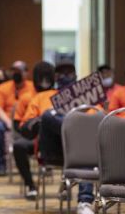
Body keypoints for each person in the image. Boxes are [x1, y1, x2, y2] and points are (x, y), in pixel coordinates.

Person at [36, 62, 95, 214]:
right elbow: (33, 123)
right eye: (61, 73)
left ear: (76, 75)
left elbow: (98, 118)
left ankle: (85, 201)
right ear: (55, 77)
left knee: (84, 149)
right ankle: (75, 128)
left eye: (69, 73)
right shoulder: (44, 96)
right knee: (48, 115)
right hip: (55, 149)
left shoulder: (88, 97)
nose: (65, 76)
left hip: (80, 151)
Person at [14, 61, 55, 200]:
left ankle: (66, 186)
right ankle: (30, 185)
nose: (44, 80)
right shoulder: (28, 97)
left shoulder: (61, 95)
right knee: (19, 146)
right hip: (37, 139)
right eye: (41, 77)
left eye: (47, 76)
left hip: (61, 141)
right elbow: (21, 124)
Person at [0, 61, 35, 176]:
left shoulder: (33, 87)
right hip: (7, 120)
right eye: (14, 71)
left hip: (26, 121)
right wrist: (8, 121)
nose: (16, 73)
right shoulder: (3, 87)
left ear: (26, 73)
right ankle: (0, 165)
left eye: (19, 71)